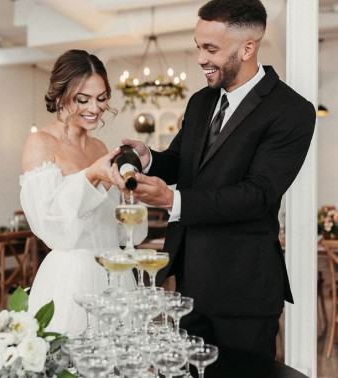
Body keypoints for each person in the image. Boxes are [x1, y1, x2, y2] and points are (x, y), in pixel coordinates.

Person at [112, 0, 315, 359]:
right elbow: (180, 162)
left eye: (211, 49)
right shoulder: (200, 102)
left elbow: (258, 194)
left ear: (248, 47)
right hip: (190, 282)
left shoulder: (292, 110)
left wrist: (174, 202)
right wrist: (149, 158)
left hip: (244, 288)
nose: (201, 58)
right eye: (198, 47)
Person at [20, 49, 145, 336]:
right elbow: (49, 226)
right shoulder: (40, 143)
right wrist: (90, 176)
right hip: (71, 278)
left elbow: (120, 228)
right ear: (60, 96)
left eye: (101, 98)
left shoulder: (100, 148)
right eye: (83, 99)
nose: (95, 108)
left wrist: (133, 194)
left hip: (116, 273)